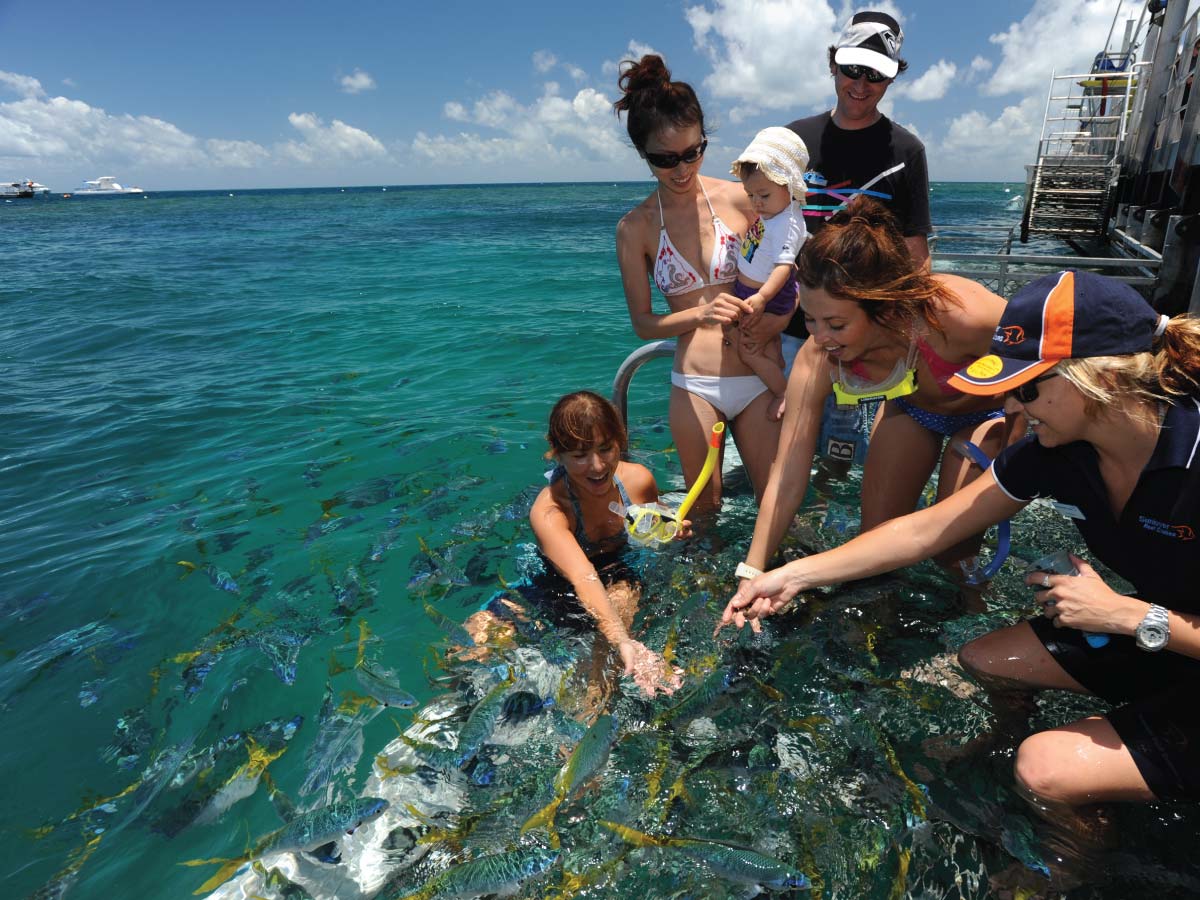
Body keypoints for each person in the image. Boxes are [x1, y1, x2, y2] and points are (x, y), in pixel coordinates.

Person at [720, 270, 1200, 859]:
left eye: (1026, 389)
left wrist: (1127, 615)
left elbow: (1133, 617)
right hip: (1168, 634)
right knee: (988, 659)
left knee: (1045, 768)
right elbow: (927, 529)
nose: (1008, 403)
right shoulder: (1058, 450)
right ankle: (1045, 750)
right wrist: (791, 575)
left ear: (1096, 380)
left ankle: (1067, 873)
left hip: (1157, 628)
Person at [734, 197, 1009, 588]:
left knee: (954, 555)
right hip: (914, 413)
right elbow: (787, 475)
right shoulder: (819, 354)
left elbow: (1049, 354)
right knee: (873, 548)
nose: (820, 337)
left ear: (883, 307)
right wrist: (752, 571)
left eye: (836, 324)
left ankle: (970, 608)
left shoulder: (960, 316)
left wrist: (1019, 442)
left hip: (987, 416)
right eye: (810, 319)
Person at [614, 54, 779, 512]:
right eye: (666, 160)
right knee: (702, 512)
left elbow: (788, 260)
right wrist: (701, 313)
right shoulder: (636, 228)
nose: (683, 169)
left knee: (775, 504)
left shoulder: (742, 198)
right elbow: (645, 325)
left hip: (758, 373)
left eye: (694, 152)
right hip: (695, 385)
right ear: (644, 155)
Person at [465, 391, 682, 704]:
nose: (597, 466)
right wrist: (621, 638)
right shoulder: (550, 511)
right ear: (556, 454)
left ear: (621, 440)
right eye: (579, 455)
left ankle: (593, 703)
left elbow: (657, 524)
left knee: (615, 613)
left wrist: (671, 530)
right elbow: (582, 577)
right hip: (554, 582)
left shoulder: (637, 481)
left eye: (606, 449)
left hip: (619, 573)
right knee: (471, 640)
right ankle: (458, 711)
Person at [782, 11, 932, 370]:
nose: (861, 85)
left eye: (875, 74)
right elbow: (758, 224)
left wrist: (914, 333)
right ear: (833, 64)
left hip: (867, 338)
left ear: (891, 79)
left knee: (855, 429)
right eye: (852, 70)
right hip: (788, 329)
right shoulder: (793, 141)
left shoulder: (907, 151)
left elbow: (915, 251)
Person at [723, 127, 810, 421]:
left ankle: (783, 392)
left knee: (749, 350)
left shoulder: (787, 222)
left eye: (763, 194)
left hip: (767, 296)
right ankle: (774, 375)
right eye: (750, 194)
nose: (756, 202)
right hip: (756, 291)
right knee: (763, 347)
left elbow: (784, 266)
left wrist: (761, 297)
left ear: (790, 186)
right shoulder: (774, 213)